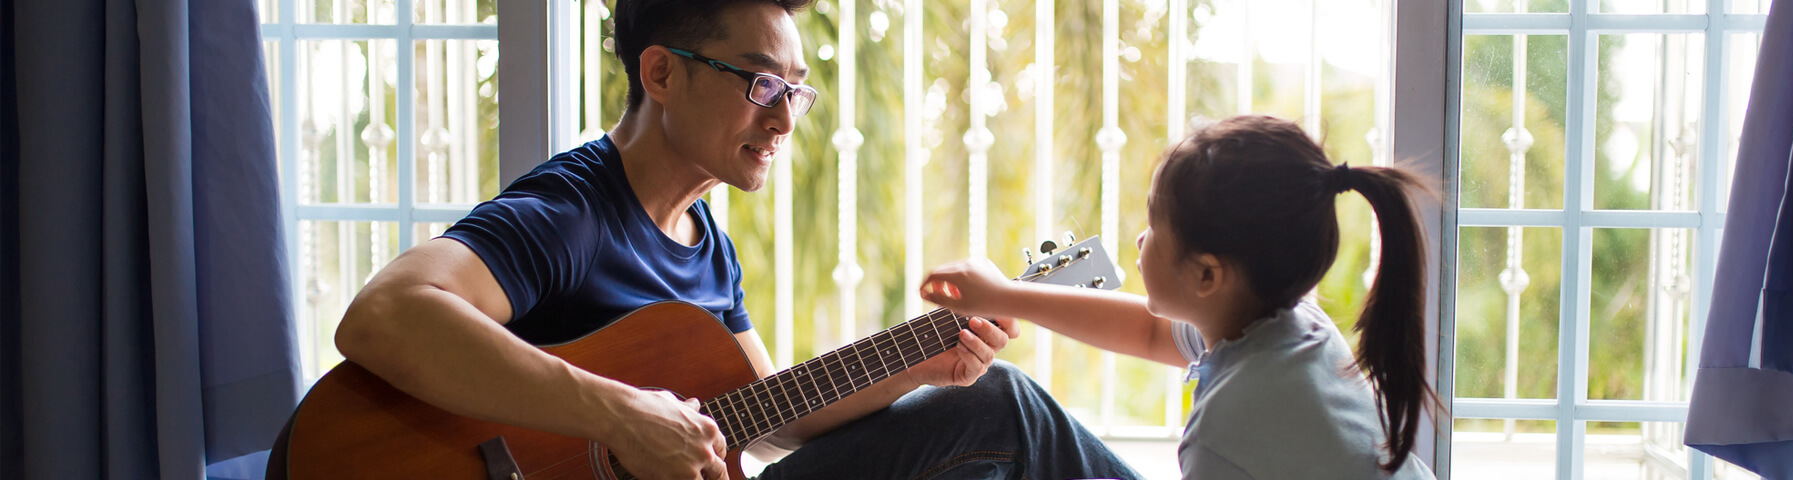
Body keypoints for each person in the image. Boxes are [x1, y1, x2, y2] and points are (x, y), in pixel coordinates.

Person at [332, 1, 1140, 479]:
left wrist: (920, 363)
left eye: (795, 90)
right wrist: (619, 415)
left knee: (979, 411)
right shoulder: (571, 211)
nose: (785, 117)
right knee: (1008, 411)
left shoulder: (706, 242)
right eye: (760, 83)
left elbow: (768, 413)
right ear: (661, 74)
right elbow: (384, 314)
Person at [920, 114, 1440, 479]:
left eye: (1155, 226)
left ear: (1208, 276)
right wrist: (1006, 296)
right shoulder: (1285, 321)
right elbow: (1147, 331)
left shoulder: (1226, 431)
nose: (1141, 241)